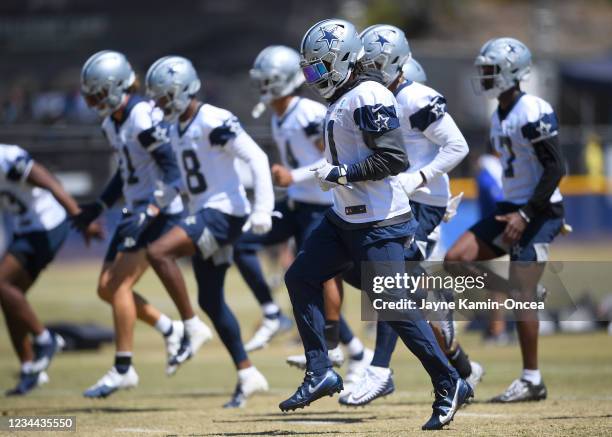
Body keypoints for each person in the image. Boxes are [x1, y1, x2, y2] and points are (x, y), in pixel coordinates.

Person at [279, 19, 472, 430]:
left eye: (319, 68)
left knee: (392, 306)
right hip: (344, 218)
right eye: (309, 69)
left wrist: (342, 174)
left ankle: (449, 380)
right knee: (300, 277)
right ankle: (320, 370)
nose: (313, 77)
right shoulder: (347, 93)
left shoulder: (368, 94)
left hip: (379, 221)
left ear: (345, 59)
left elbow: (393, 159)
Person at [339, 24, 483, 407]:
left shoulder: (416, 97)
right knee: (366, 276)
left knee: (387, 285)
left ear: (397, 62)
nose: (369, 67)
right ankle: (457, 360)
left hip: (419, 202)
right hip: (390, 202)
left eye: (376, 62)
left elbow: (457, 145)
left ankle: (380, 369)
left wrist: (419, 177)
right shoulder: (369, 95)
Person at [75, 50, 213, 398]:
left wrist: (150, 210)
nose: (92, 102)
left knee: (118, 286)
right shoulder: (112, 122)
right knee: (105, 288)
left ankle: (124, 367)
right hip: (138, 208)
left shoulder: (140, 116)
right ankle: (171, 329)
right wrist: (99, 207)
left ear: (113, 86)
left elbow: (173, 172)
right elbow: (127, 173)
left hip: (159, 210)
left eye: (96, 94)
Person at [239, 45, 372, 388]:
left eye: (267, 80)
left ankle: (338, 348)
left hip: (320, 204)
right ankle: (273, 314)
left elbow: (328, 159)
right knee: (241, 242)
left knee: (318, 274)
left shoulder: (309, 113)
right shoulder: (278, 114)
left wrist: (293, 177)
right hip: (296, 204)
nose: (262, 86)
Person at [144, 55, 272, 408]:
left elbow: (257, 159)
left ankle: (189, 325)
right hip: (204, 211)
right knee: (211, 300)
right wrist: (160, 200)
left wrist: (262, 208)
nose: (157, 104)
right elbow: (185, 178)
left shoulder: (213, 119)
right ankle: (247, 374)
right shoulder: (174, 127)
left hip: (225, 212)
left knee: (158, 252)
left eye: (162, 96)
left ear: (183, 91)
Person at [445, 37, 566, 402]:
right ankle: (510, 291)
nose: (483, 76)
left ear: (511, 72)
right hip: (509, 207)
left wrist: (528, 214)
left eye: (490, 70)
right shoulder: (499, 112)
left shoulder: (533, 109)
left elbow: (556, 167)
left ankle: (532, 379)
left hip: (537, 211)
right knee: (455, 260)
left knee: (525, 294)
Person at [0, 143, 101, 395]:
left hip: (47, 225)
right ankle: (30, 368)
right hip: (25, 230)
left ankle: (46, 340)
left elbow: (50, 183)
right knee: (10, 298)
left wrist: (80, 217)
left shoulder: (7, 158)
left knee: (2, 285)